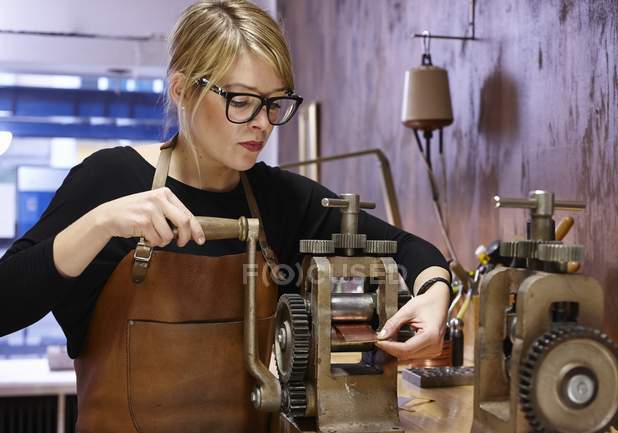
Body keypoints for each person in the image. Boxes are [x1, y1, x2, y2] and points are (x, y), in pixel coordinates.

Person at [0, 1, 451, 431]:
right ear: (181, 90)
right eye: (241, 100)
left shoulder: (279, 199)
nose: (263, 123)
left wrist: (434, 288)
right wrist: (98, 224)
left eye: (275, 103)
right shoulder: (110, 179)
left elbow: (408, 248)